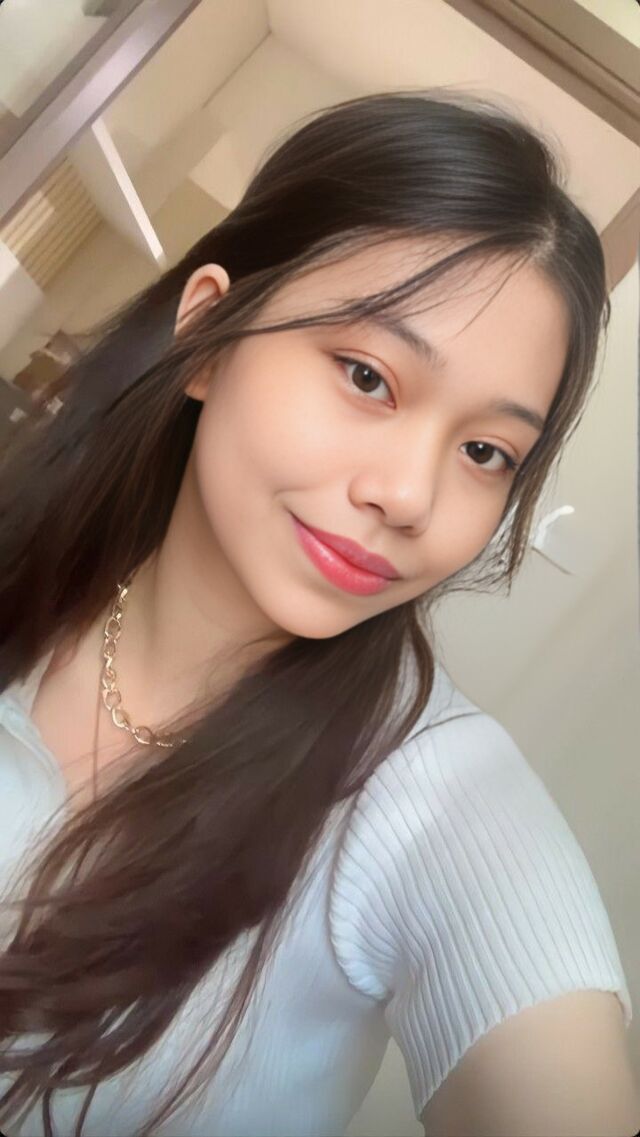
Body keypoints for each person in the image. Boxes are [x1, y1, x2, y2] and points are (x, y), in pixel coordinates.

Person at [0, 90, 637, 1137]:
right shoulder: (32, 570)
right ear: (209, 332)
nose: (410, 495)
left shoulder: (429, 796)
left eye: (486, 452)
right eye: (367, 376)